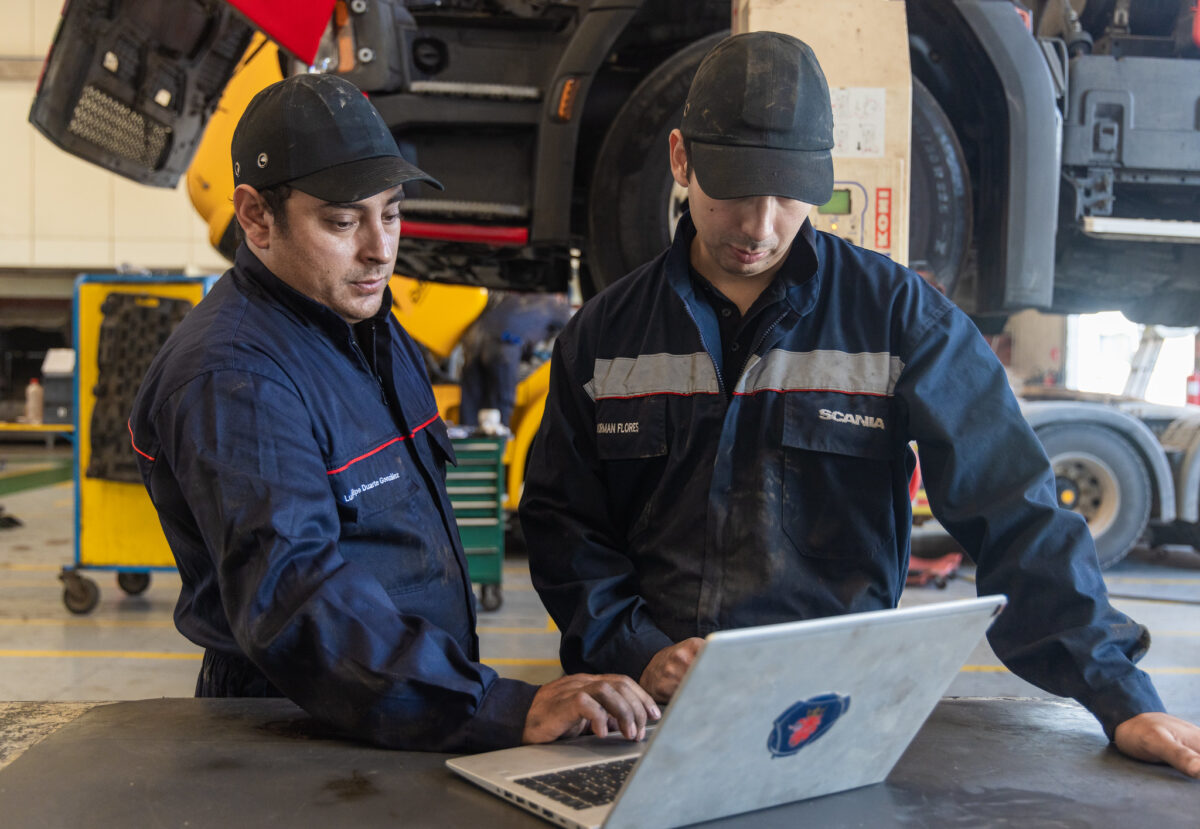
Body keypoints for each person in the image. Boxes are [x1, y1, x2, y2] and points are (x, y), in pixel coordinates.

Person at [518, 32, 1200, 777]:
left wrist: (1120, 695)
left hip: (829, 716)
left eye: (786, 195)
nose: (759, 225)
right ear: (681, 159)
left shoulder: (902, 320)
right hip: (640, 717)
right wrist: (639, 650)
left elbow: (1015, 511)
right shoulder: (606, 334)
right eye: (735, 192)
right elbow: (563, 520)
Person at [129, 73, 656, 753]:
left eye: (393, 212)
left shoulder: (369, 330)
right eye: (343, 221)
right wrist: (494, 704)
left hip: (401, 710)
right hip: (297, 735)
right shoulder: (234, 377)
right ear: (256, 216)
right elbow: (296, 598)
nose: (380, 248)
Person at [458, 292, 571, 431]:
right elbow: (573, 333)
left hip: (473, 341)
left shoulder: (517, 297)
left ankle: (467, 447)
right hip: (502, 347)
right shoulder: (557, 306)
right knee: (499, 407)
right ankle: (499, 448)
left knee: (471, 404)